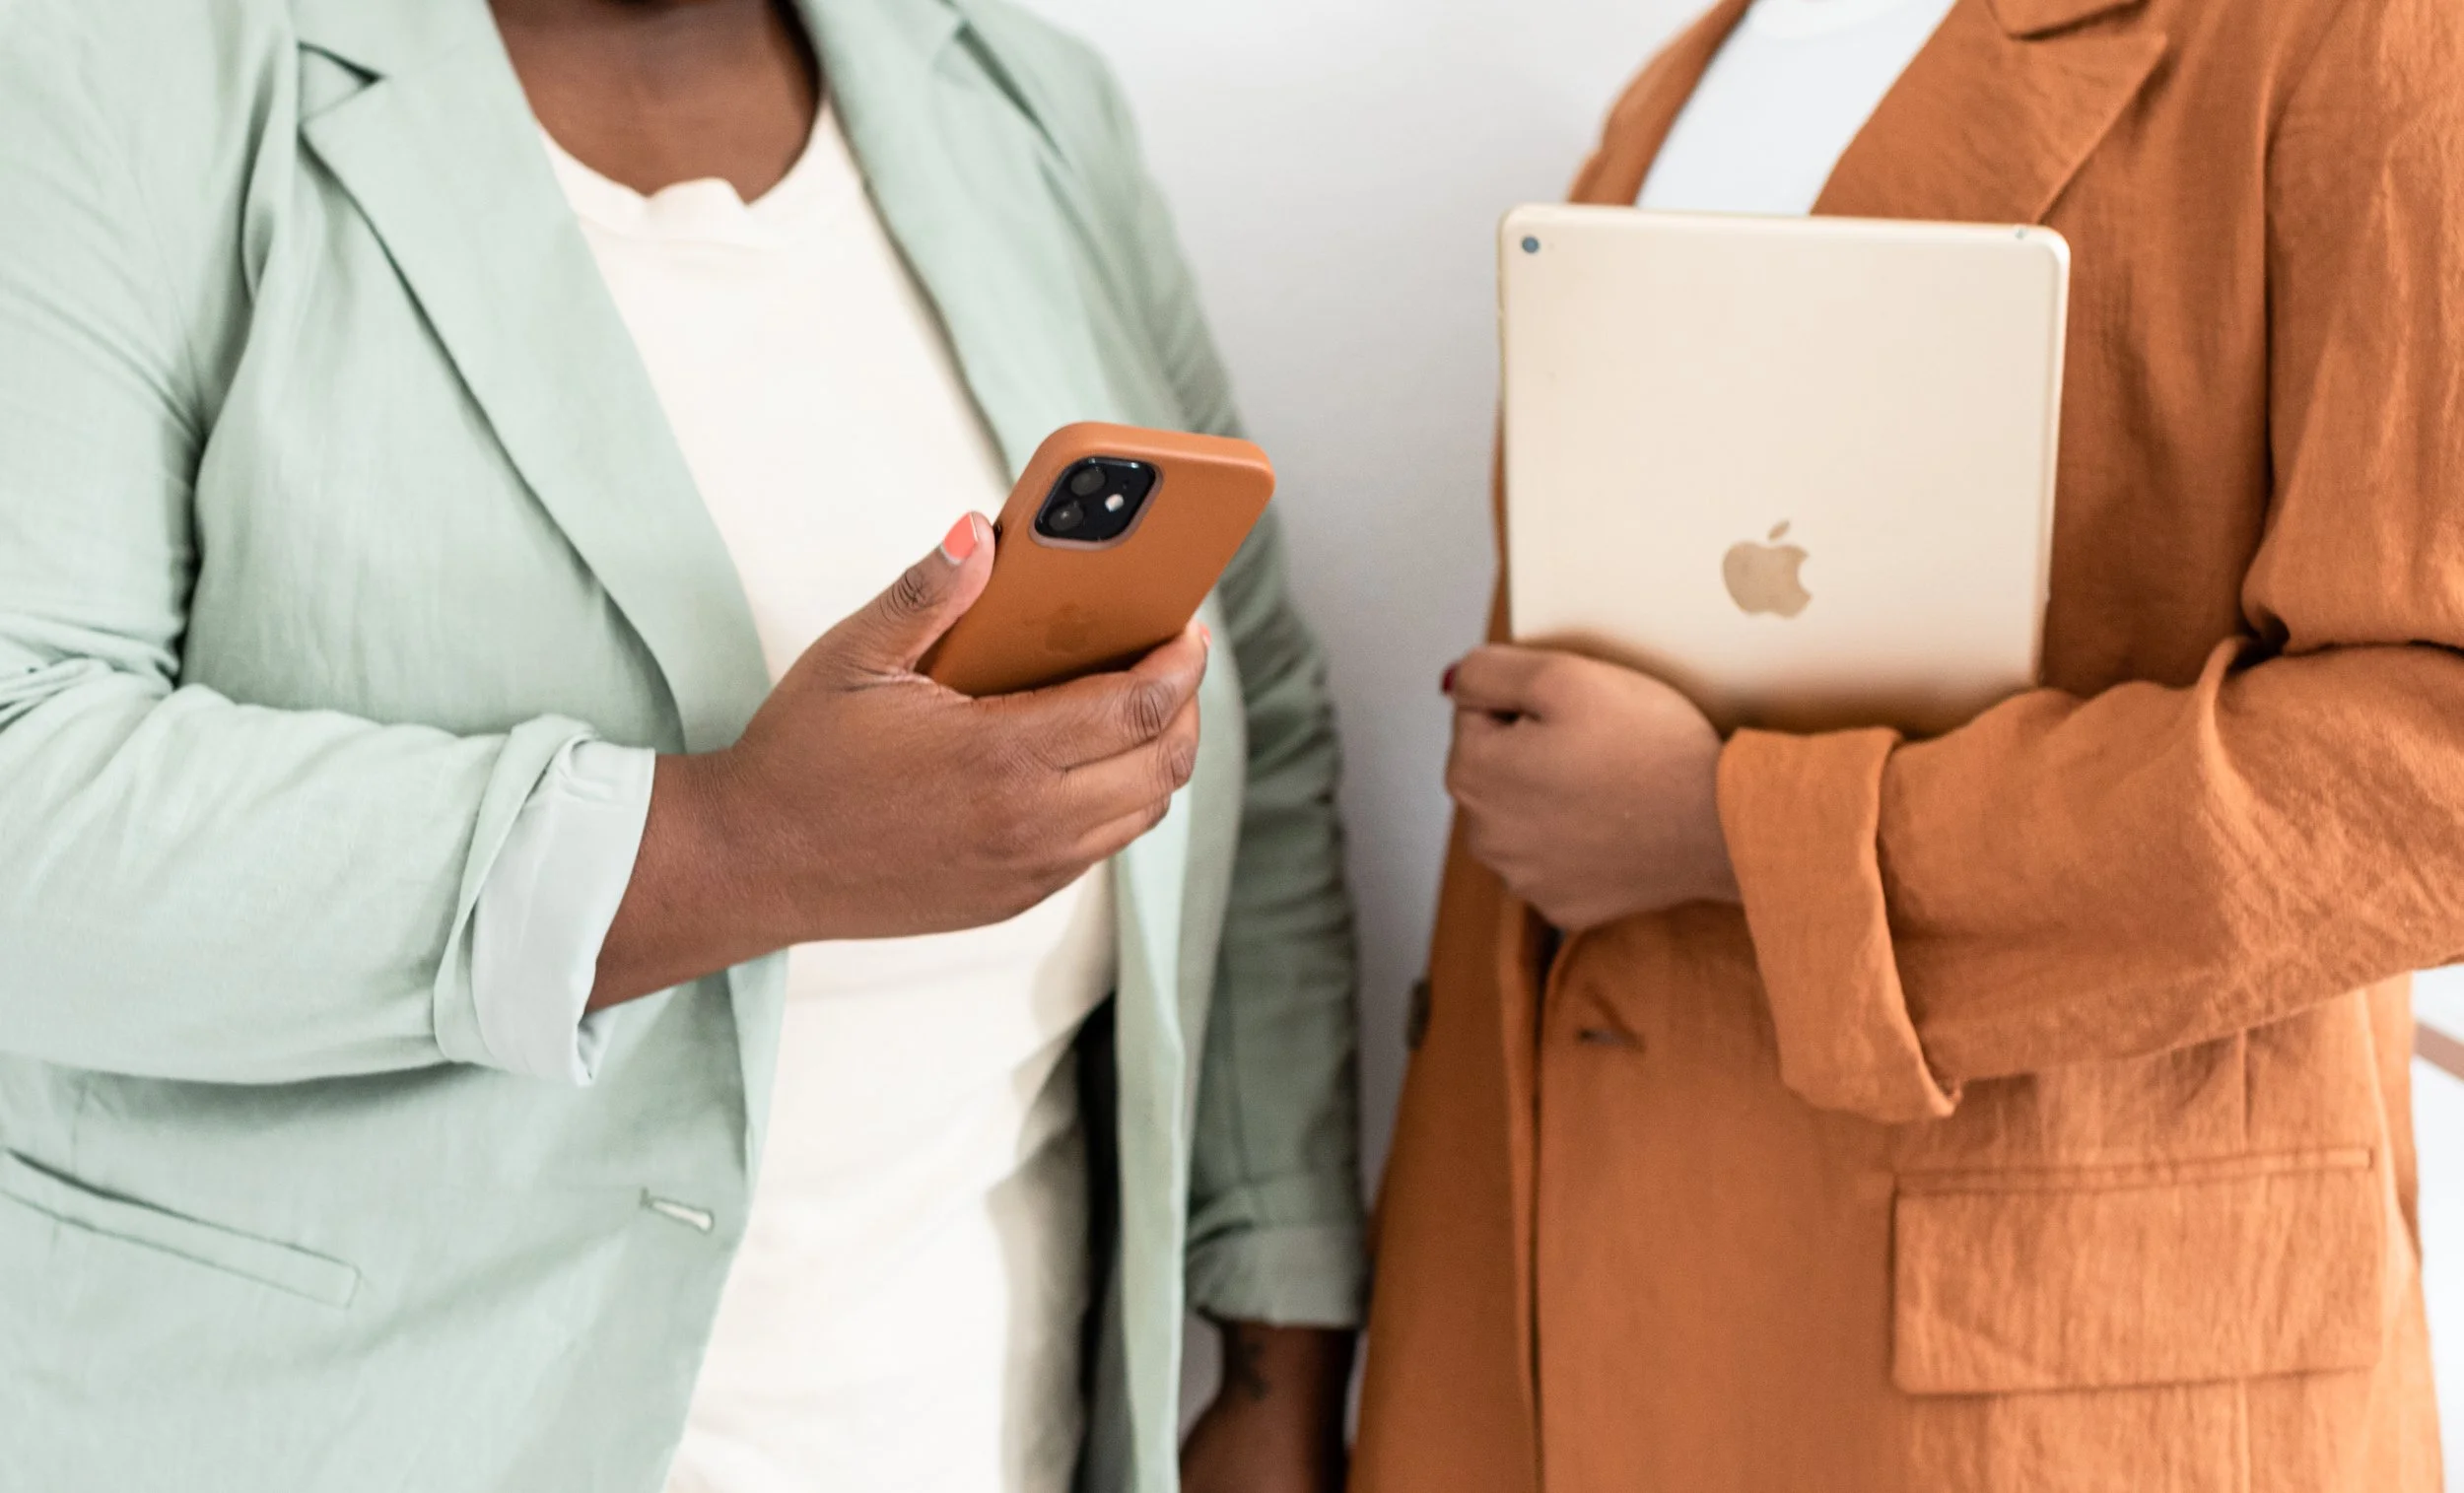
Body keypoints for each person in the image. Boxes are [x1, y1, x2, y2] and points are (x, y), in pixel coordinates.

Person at [0, 2, 1363, 1491]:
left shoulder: (1018, 99)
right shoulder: (107, 75)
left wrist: (1273, 1358)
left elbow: (1259, 725)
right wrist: (734, 848)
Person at [1356, 0, 2458, 1485]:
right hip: (1573, 1306)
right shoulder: (1677, 85)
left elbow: (2431, 760)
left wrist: (1741, 830)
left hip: (2048, 1372)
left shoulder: (2353, 34)